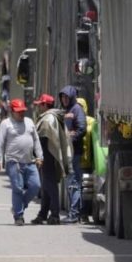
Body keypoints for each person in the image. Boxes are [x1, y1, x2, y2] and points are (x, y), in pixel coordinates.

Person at [0, 98, 43, 226]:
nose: (21, 114)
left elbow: (36, 140)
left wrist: (39, 156)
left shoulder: (29, 122)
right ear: (12, 111)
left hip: (29, 161)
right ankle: (18, 216)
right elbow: (0, 143)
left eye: (23, 111)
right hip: (13, 162)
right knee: (18, 188)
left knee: (35, 186)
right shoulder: (6, 124)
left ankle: (20, 205)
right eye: (18, 111)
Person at [31, 94, 69, 225]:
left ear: (46, 105)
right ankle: (43, 214)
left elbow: (43, 140)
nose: (38, 107)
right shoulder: (50, 117)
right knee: (46, 186)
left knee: (50, 186)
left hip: (47, 155)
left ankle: (54, 214)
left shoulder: (48, 119)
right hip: (48, 155)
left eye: (40, 104)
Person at [59, 85, 86, 224]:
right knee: (71, 183)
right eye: (62, 97)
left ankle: (74, 214)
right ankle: (76, 213)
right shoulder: (66, 110)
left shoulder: (77, 109)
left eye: (66, 97)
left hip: (74, 151)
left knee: (74, 183)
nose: (64, 100)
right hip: (67, 152)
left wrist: (70, 138)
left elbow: (82, 128)